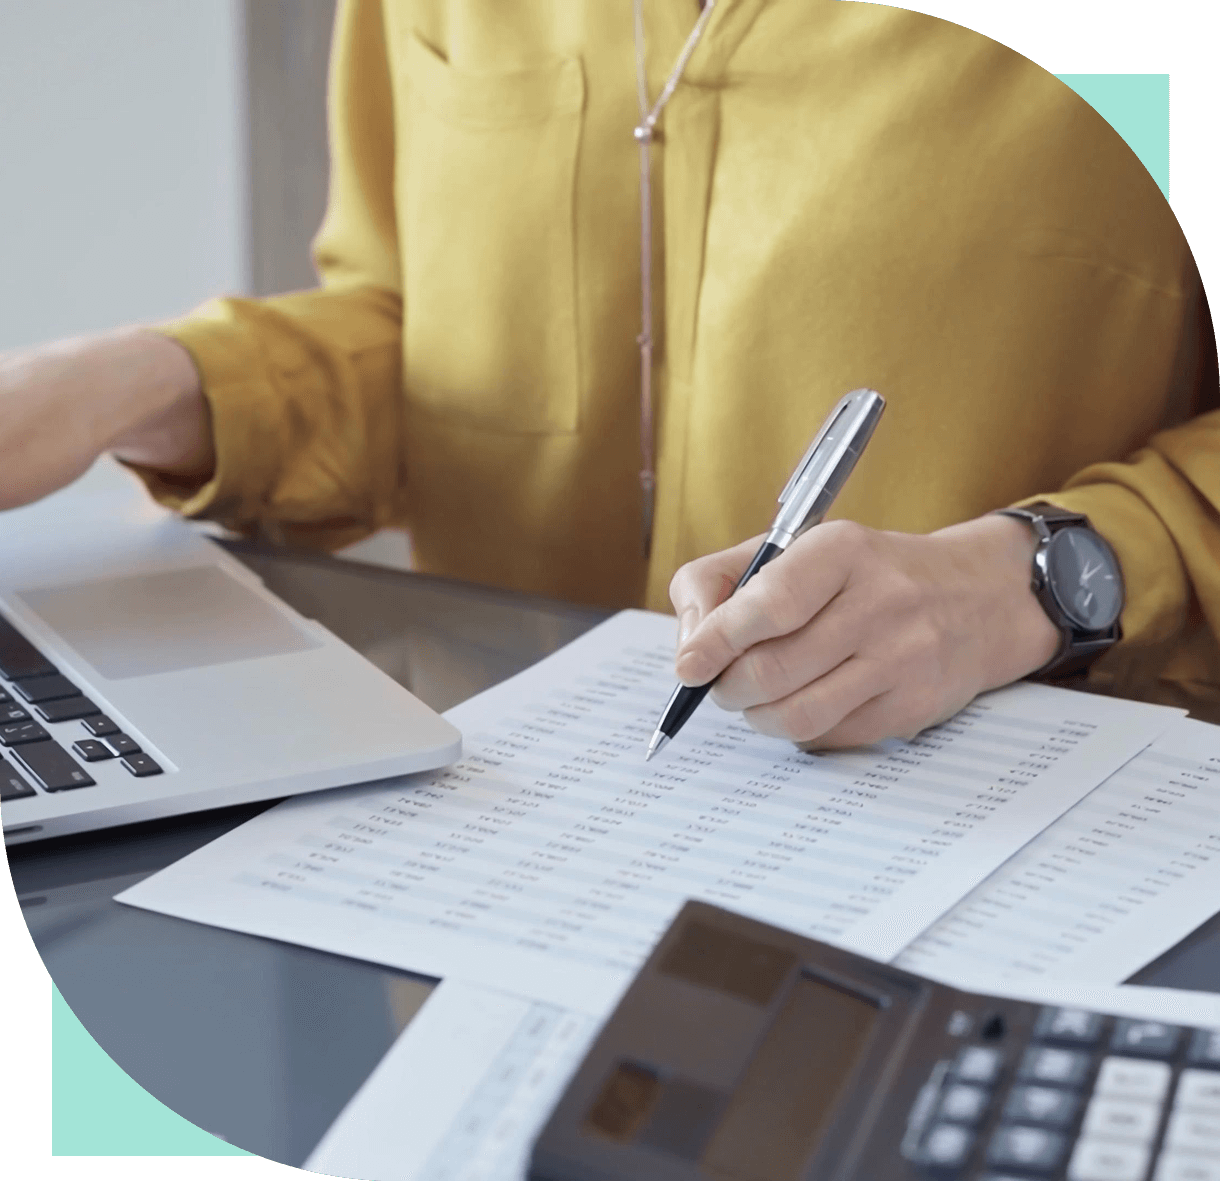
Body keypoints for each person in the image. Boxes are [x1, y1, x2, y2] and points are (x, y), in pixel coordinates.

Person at [1, 1, 1216, 749]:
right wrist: (131, 384)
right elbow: (434, 336)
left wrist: (1045, 578)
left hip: (1005, 848)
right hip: (488, 824)